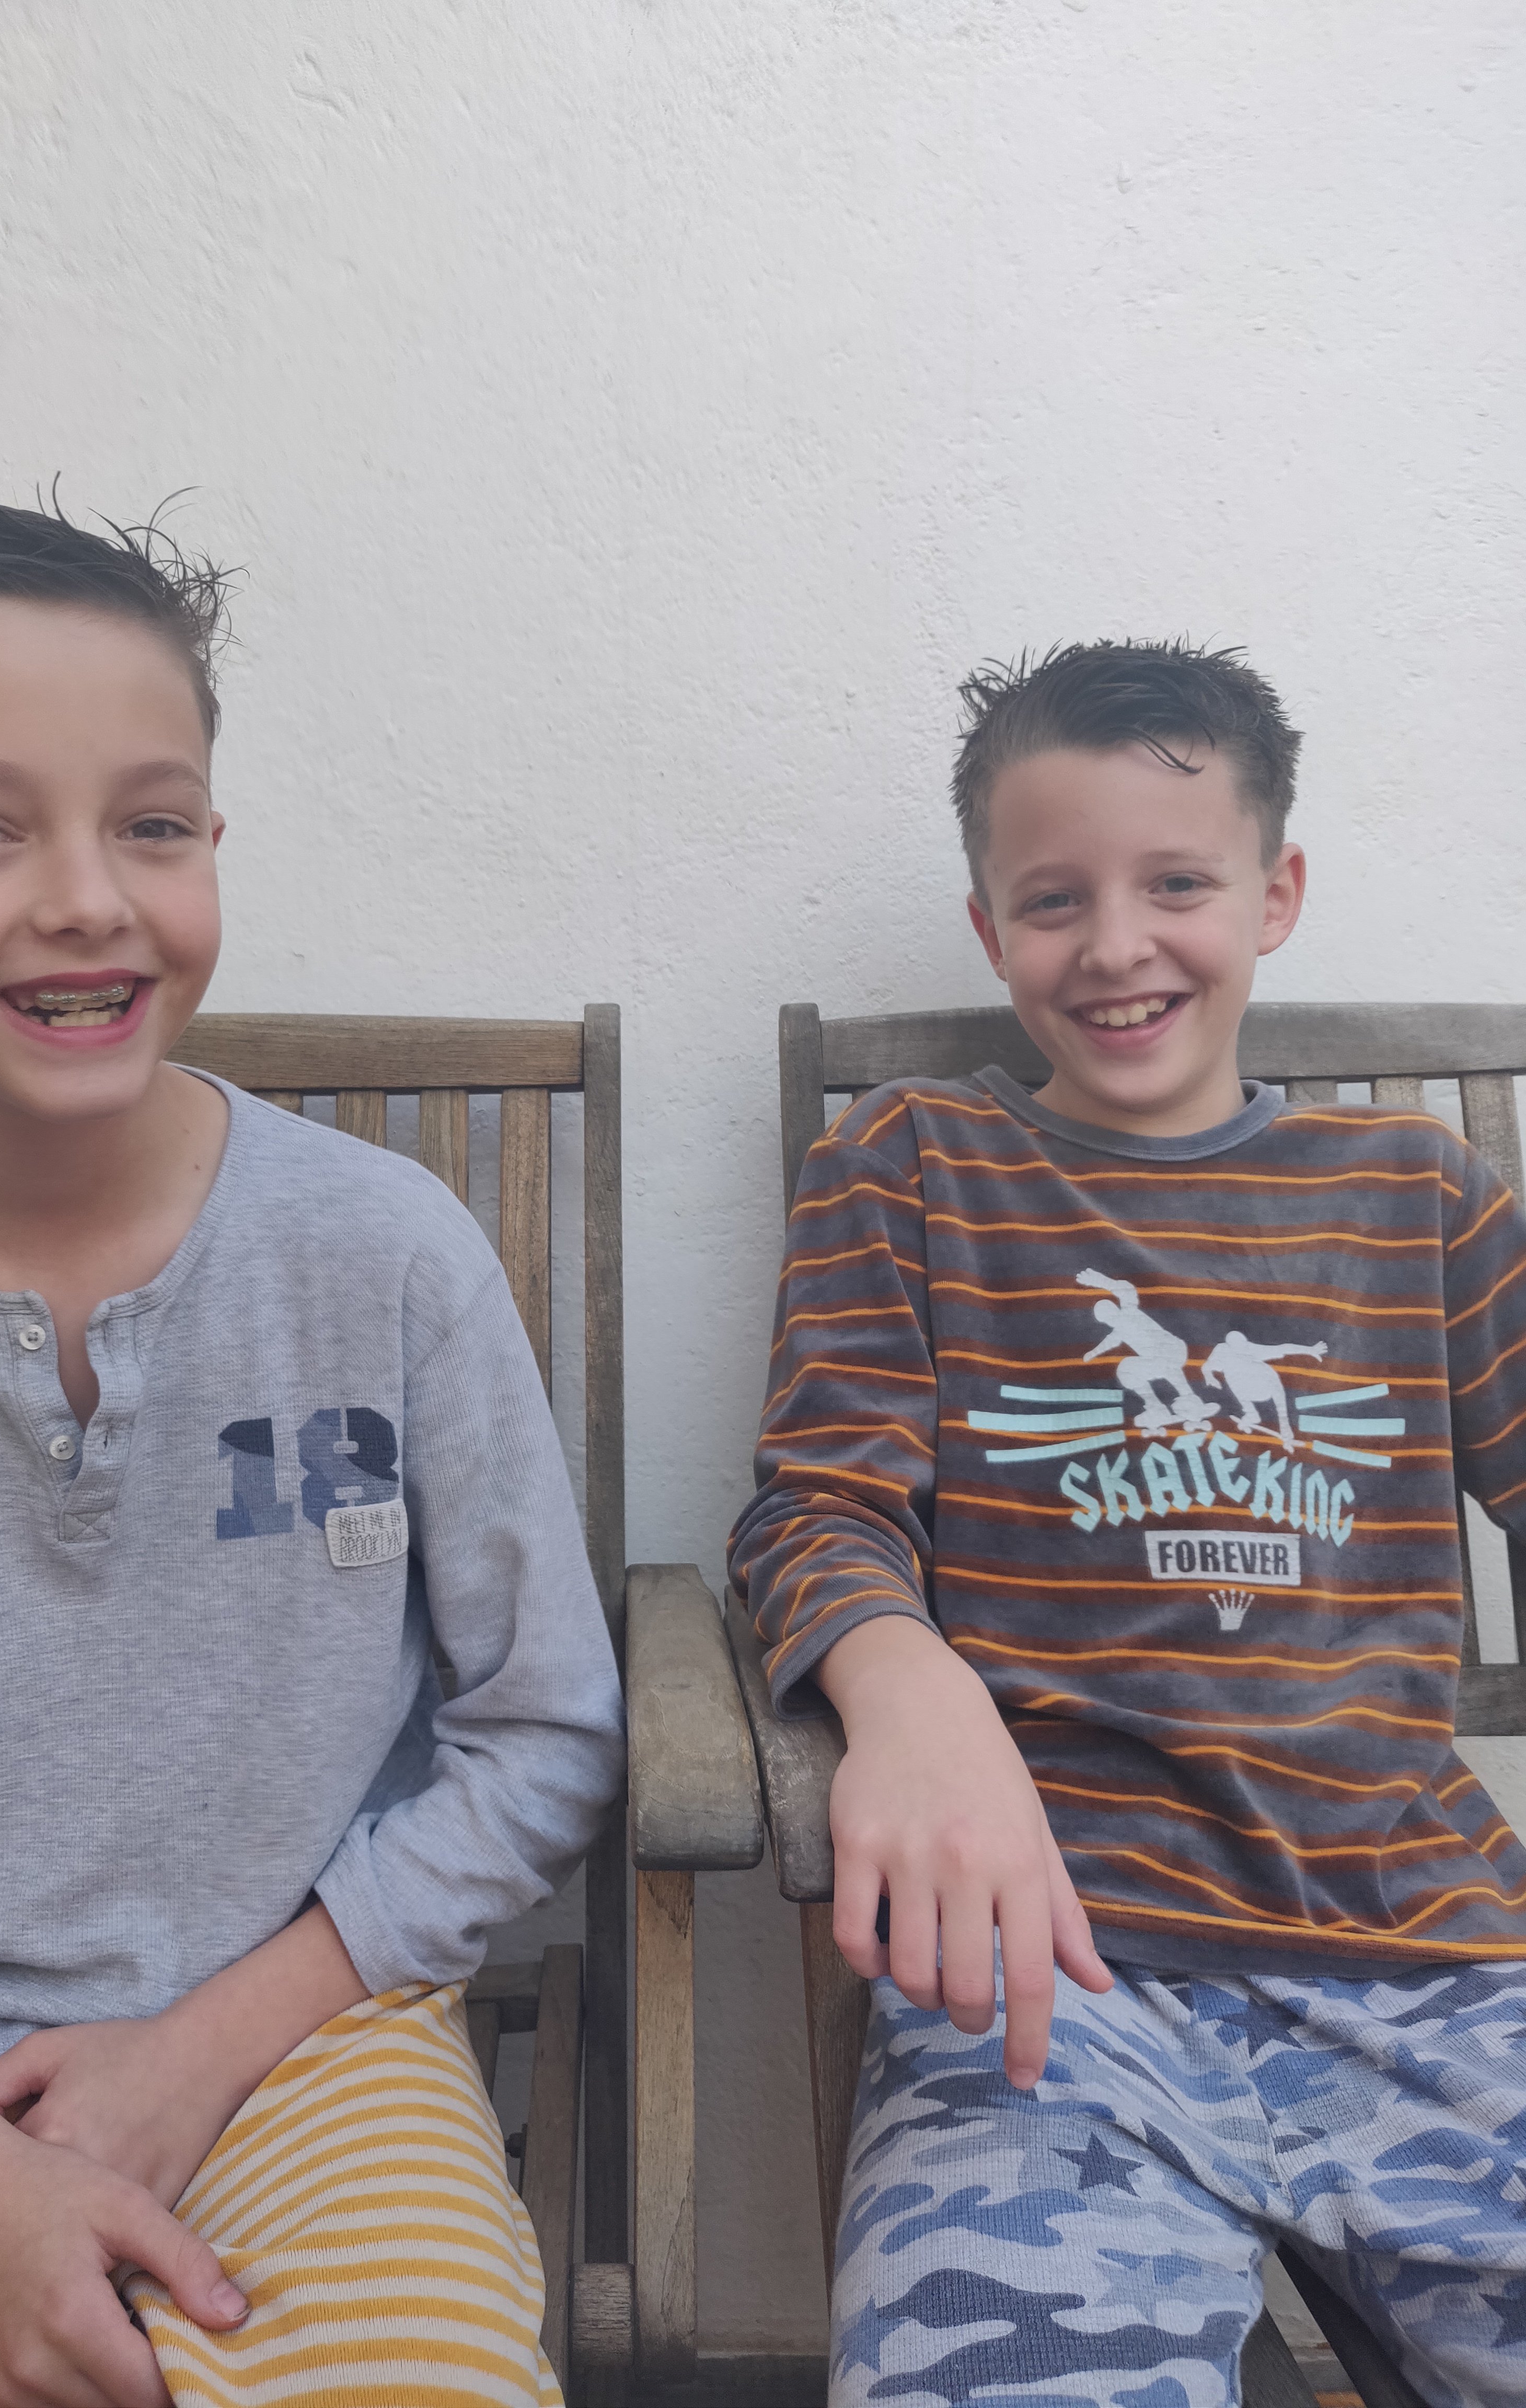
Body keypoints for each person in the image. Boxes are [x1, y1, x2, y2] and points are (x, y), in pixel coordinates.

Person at [0, 488, 623, 2408]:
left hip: (326, 2040)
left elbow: (545, 1732)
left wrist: (210, 2042)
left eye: (152, 823)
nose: (88, 898)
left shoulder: (388, 1259)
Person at [729, 641, 1526, 2405]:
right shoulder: (914, 1169)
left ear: (1275, 895)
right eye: (1053, 899)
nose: (1115, 944)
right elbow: (818, 1509)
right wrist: (909, 1692)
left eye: (1177, 883)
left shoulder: (1416, 1197)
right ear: (988, 925)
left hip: (1430, 1958)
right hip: (1052, 1971)